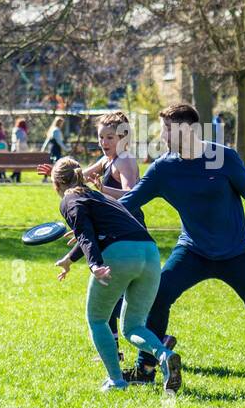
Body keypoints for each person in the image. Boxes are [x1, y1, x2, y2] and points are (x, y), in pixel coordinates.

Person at [118, 103, 245, 389]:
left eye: (167, 131)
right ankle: (145, 368)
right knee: (158, 297)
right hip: (192, 251)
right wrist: (90, 217)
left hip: (236, 252)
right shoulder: (164, 169)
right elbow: (128, 203)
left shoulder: (223, 158)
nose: (162, 138)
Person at [51, 157, 182, 394]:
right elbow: (92, 230)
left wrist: (94, 264)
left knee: (98, 319)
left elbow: (85, 233)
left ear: (57, 184)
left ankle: (116, 381)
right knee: (133, 326)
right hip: (150, 253)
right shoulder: (98, 197)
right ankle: (165, 355)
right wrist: (69, 260)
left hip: (119, 254)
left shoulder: (69, 199)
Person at [40, 112, 144, 350]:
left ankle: (152, 338)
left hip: (127, 232)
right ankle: (116, 347)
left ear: (124, 137)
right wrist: (57, 175)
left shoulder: (125, 160)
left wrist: (103, 189)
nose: (104, 143)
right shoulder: (107, 161)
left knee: (117, 295)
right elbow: (78, 178)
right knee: (111, 291)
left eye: (110, 137)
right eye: (101, 137)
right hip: (110, 233)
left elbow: (133, 195)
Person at [9, 117, 29, 182]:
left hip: (15, 148)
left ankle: (14, 177)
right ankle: (15, 178)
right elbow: (19, 140)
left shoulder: (15, 129)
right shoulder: (20, 131)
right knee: (19, 164)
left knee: (18, 164)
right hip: (19, 149)